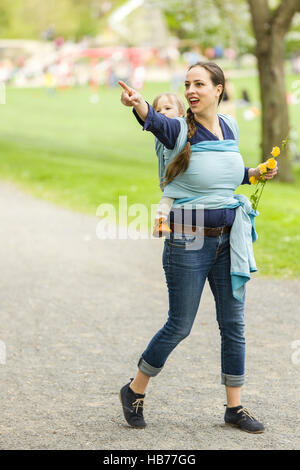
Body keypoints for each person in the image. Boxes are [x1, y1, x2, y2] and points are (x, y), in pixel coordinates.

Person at [118, 62, 278, 433]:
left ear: (218, 89)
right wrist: (140, 103)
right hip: (187, 239)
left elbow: (227, 172)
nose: (191, 90)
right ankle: (134, 389)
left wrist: (255, 172)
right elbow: (153, 120)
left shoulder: (231, 126)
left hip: (228, 238)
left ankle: (234, 408)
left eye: (200, 84)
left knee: (233, 325)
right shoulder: (176, 128)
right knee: (180, 325)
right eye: (187, 84)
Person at [151, 92, 186, 238]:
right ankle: (159, 222)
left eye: (167, 108)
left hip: (179, 178)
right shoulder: (164, 132)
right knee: (169, 196)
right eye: (158, 111)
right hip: (170, 177)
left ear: (181, 113)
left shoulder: (181, 128)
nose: (162, 113)